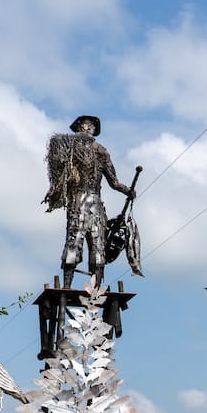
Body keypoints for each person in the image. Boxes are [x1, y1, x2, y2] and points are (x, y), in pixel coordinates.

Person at [43, 115, 135, 289]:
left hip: (86, 203)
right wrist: (128, 191)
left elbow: (114, 182)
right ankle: (80, 288)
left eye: (89, 126)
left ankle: (82, 288)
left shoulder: (85, 149)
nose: (88, 129)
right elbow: (114, 183)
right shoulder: (85, 149)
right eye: (87, 126)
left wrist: (127, 191)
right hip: (86, 202)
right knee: (86, 245)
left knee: (88, 245)